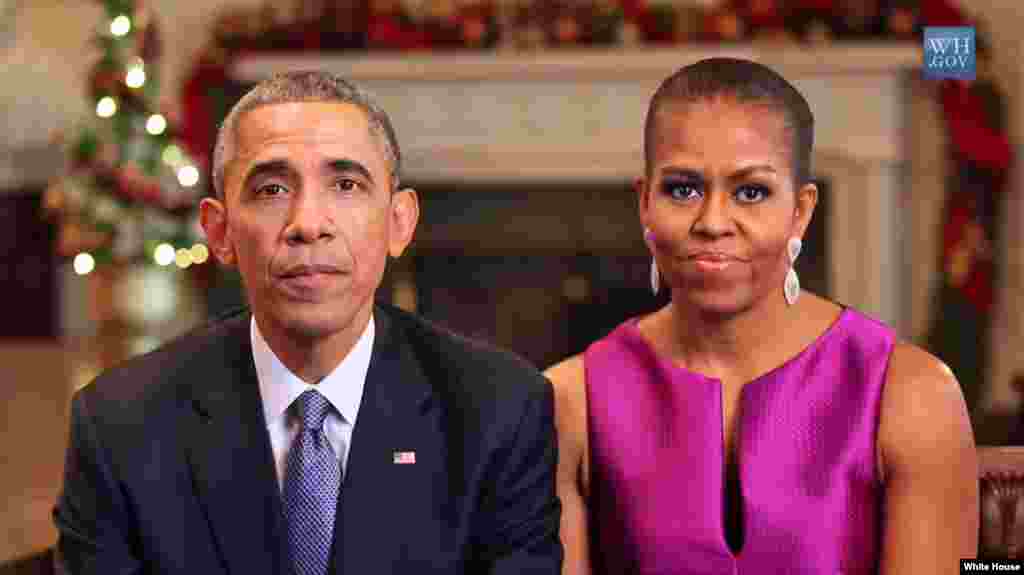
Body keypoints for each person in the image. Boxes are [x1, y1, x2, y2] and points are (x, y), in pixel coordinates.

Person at [53, 70, 562, 575]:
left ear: (398, 222)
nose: (308, 224)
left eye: (346, 184)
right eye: (272, 189)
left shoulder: (499, 412)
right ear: (219, 230)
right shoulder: (120, 427)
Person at [545, 58, 978, 574]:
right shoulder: (570, 401)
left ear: (801, 209)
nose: (712, 223)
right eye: (682, 189)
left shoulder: (912, 393)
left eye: (751, 192)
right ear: (644, 203)